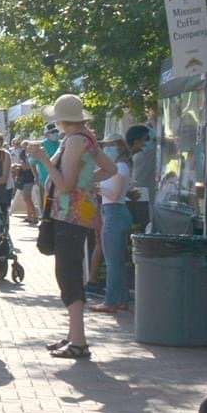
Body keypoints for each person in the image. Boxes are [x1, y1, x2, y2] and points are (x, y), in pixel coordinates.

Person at [42, 94, 117, 361]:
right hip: (80, 215)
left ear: (62, 119)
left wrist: (43, 159)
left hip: (68, 216)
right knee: (70, 272)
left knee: (68, 275)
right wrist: (87, 182)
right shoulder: (87, 138)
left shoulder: (74, 141)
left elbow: (64, 185)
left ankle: (79, 341)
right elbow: (109, 169)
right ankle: (74, 335)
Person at [91, 136, 134, 315]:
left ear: (118, 147)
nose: (106, 149)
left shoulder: (120, 167)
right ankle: (121, 299)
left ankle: (111, 301)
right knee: (117, 261)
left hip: (114, 212)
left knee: (112, 262)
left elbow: (114, 194)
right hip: (114, 212)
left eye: (109, 146)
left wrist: (96, 188)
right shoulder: (118, 166)